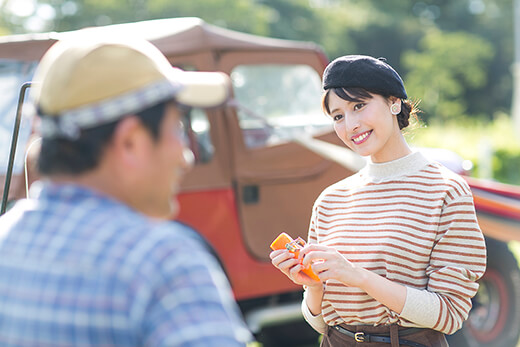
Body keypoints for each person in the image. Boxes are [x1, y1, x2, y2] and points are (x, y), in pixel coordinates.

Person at [0, 37, 252, 346]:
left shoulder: (6, 240)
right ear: (130, 141)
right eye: (177, 128)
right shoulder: (163, 261)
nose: (184, 156)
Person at [270, 55, 486, 347]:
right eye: (338, 116)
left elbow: (449, 314)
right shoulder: (330, 200)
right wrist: (314, 286)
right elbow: (321, 322)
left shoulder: (446, 191)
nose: (350, 125)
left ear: (394, 102)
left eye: (359, 106)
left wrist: (358, 277)